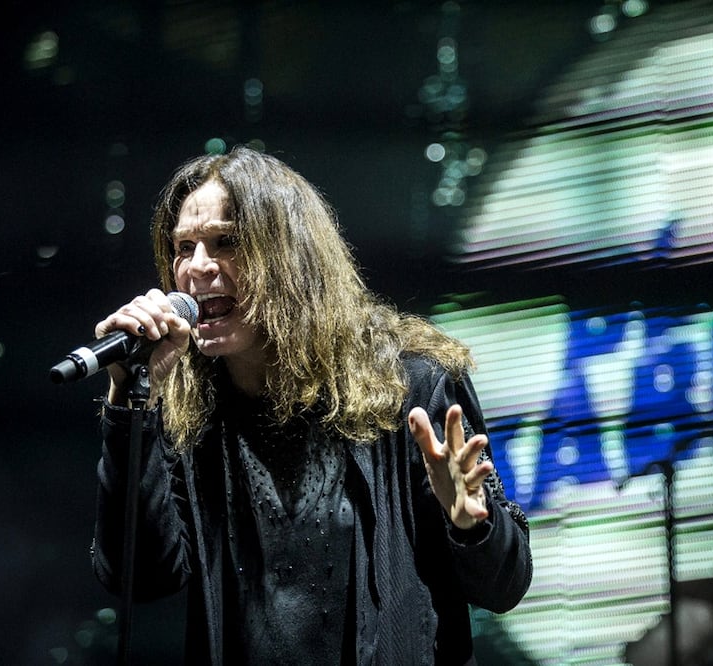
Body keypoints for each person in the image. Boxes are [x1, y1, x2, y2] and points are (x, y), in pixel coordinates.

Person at [88, 145, 533, 665]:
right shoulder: (188, 406)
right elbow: (138, 577)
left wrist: (471, 525)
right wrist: (127, 400)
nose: (197, 267)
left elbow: (507, 586)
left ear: (288, 255)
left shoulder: (408, 384)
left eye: (225, 242)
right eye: (183, 248)